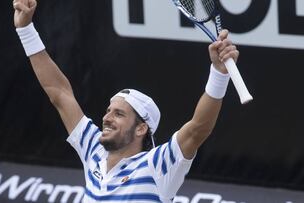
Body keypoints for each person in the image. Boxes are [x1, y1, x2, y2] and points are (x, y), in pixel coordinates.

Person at [13, 0, 239, 202]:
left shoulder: (157, 166)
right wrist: (25, 29)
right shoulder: (94, 149)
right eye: (109, 111)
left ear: (141, 128)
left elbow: (198, 129)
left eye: (119, 114)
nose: (107, 118)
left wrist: (219, 73)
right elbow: (59, 93)